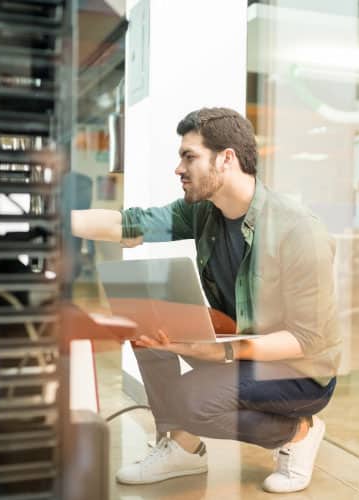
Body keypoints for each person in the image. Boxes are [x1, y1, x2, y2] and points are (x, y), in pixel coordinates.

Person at [71, 107, 340, 493]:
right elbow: (126, 224)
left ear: (226, 158)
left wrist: (222, 354)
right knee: (147, 324)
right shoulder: (202, 213)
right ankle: (184, 448)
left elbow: (307, 339)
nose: (178, 168)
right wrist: (53, 221)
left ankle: (297, 432)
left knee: (191, 398)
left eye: (189, 156)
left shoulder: (299, 231)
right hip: (239, 343)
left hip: (298, 370)